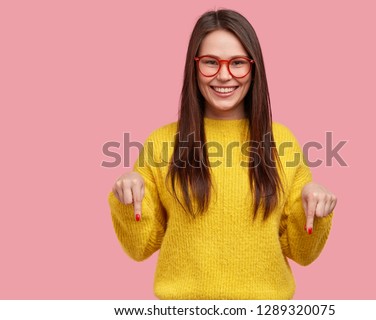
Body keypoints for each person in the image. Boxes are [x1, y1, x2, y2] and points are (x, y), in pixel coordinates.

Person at [108, 9, 337, 300]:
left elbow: (302, 254)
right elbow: (139, 248)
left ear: (254, 69)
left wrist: (316, 211)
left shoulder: (283, 142)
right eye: (211, 63)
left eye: (238, 63)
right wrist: (126, 199)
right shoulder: (161, 143)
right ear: (195, 67)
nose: (224, 75)